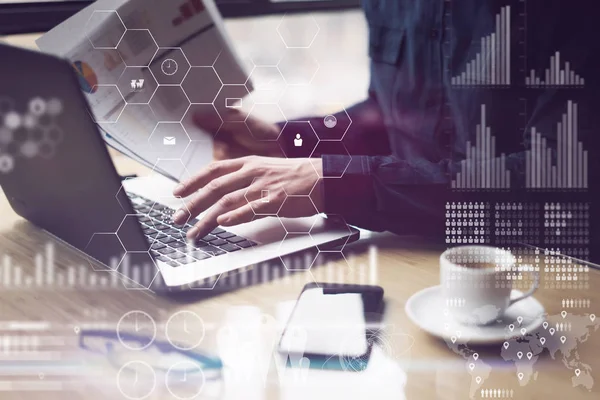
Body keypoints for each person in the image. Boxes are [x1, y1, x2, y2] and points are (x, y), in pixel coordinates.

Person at [172, 0, 599, 241]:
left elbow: (557, 180)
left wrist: (337, 183)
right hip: (414, 252)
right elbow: (396, 120)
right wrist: (292, 142)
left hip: (542, 269)